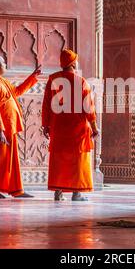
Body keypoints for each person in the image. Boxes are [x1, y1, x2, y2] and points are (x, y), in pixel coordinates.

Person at [0, 55, 42, 199]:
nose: (6, 65)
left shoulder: (2, 82)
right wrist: (0, 130)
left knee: (11, 159)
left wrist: (32, 77)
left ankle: (16, 189)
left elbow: (17, 91)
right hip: (0, 129)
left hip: (9, 127)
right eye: (4, 63)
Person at [42, 49, 99, 202]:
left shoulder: (52, 80)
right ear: (73, 63)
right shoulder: (81, 82)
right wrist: (94, 128)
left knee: (59, 159)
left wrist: (45, 125)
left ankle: (58, 192)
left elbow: (46, 104)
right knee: (78, 160)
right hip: (77, 128)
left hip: (58, 128)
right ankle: (77, 193)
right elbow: (89, 108)